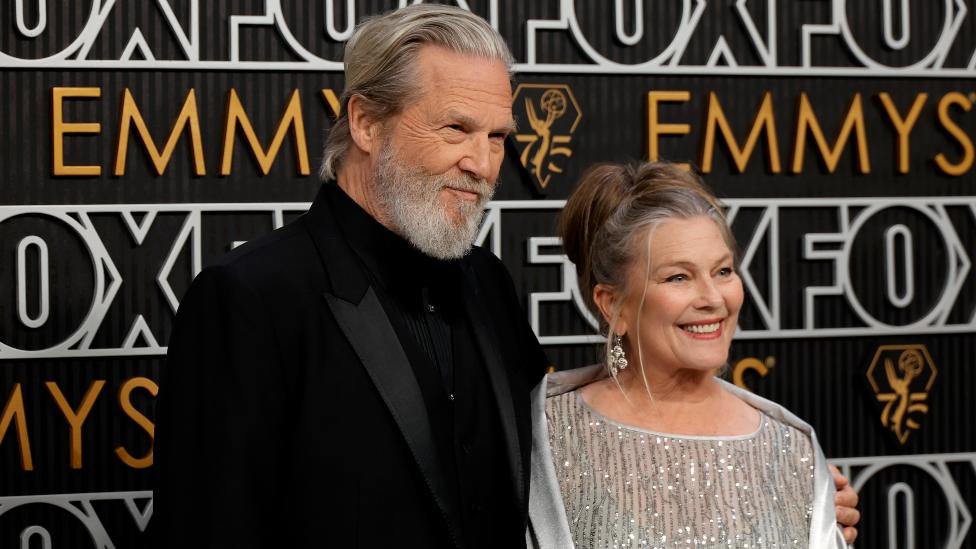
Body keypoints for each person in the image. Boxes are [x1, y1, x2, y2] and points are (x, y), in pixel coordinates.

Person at [151, 5, 859, 548]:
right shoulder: (252, 297)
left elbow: (559, 467)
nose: (484, 165)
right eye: (457, 129)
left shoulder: (487, 283)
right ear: (365, 122)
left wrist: (762, 491)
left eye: (497, 137)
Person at [526, 162, 853, 548]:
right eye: (678, 277)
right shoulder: (545, 437)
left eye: (723, 271)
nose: (713, 299)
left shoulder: (792, 449)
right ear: (614, 305)